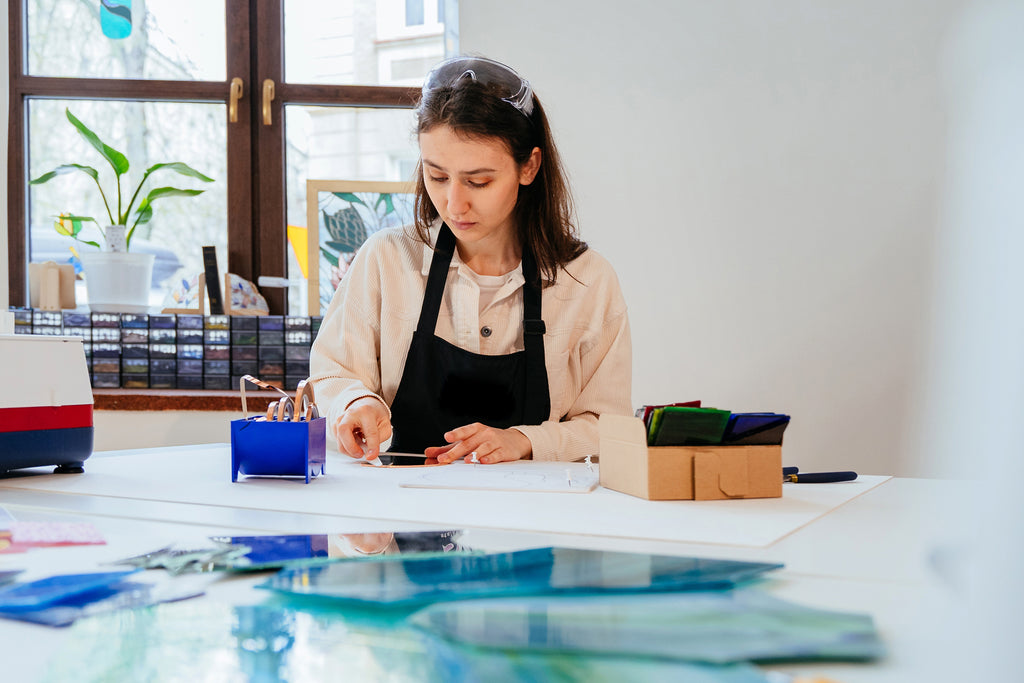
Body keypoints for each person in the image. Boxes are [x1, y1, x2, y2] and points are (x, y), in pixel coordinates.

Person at [310, 55, 631, 464]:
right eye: (437, 176)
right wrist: (353, 404)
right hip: (400, 513)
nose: (453, 203)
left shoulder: (587, 280)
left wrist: (526, 441)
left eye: (479, 181)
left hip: (534, 517)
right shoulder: (386, 259)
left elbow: (609, 426)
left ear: (528, 166)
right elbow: (333, 373)